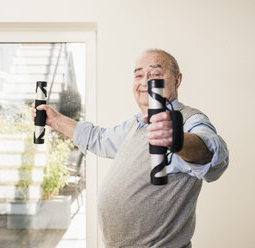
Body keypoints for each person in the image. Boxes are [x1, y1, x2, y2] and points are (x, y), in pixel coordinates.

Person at [32, 49, 229, 247]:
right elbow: (99, 139)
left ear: (177, 80)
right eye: (139, 75)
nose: (145, 82)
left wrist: (175, 138)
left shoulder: (188, 119)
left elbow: (213, 156)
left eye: (155, 74)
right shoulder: (136, 124)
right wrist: (55, 120)